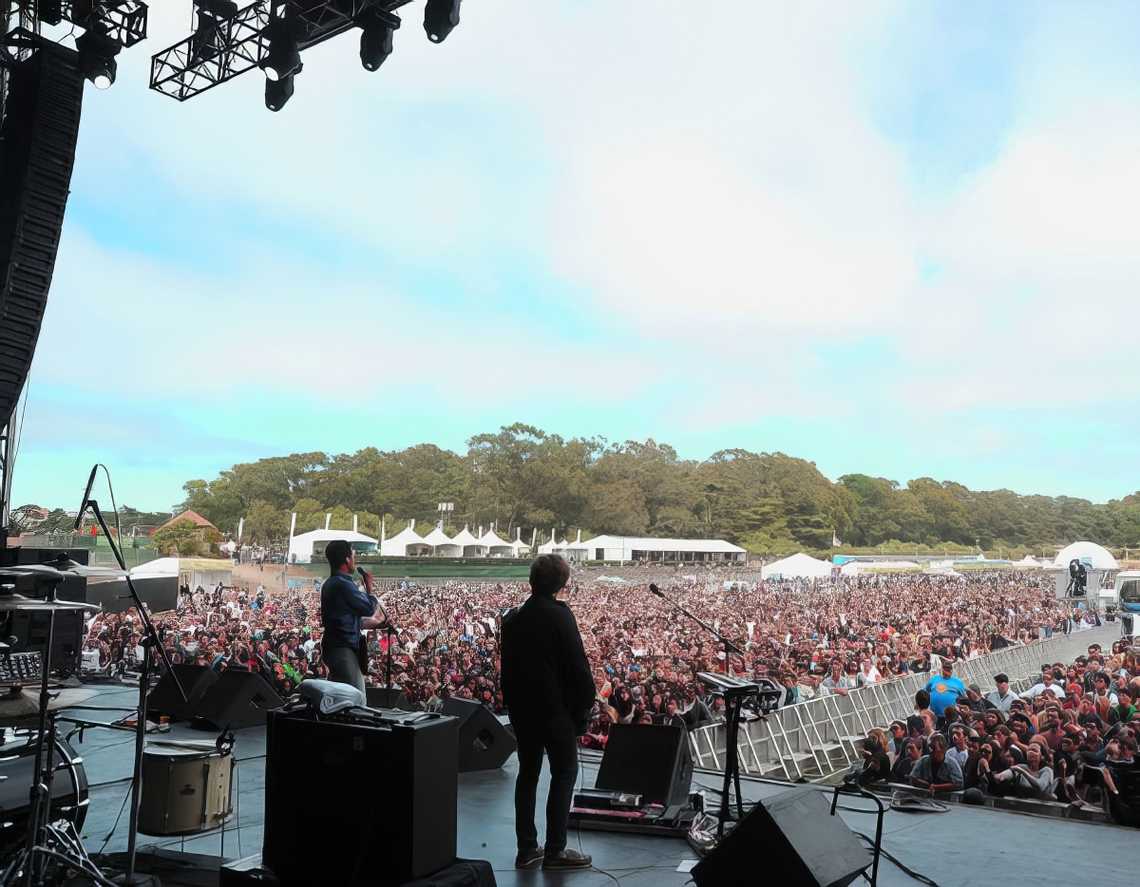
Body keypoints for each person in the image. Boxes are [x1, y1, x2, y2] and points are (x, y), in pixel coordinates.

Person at [500, 555, 595, 871]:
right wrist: (584, 705)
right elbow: (578, 667)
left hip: (523, 712)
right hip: (555, 713)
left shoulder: (513, 619)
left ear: (531, 581)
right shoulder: (560, 616)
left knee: (527, 775)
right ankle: (556, 851)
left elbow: (507, 671)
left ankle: (526, 849)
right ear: (562, 584)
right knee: (564, 773)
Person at [319, 540, 386, 693]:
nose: (354, 561)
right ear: (347, 559)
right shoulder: (343, 584)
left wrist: (375, 623)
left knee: (343, 696)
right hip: (343, 649)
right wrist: (369, 588)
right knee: (355, 697)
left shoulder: (331, 583)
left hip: (336, 648)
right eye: (353, 556)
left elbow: (345, 619)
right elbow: (368, 607)